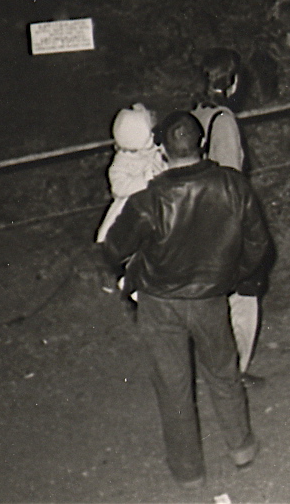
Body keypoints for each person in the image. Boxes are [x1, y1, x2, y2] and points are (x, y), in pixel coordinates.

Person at [102, 111, 271, 489]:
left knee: (172, 384)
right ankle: (241, 446)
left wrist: (141, 264)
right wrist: (229, 275)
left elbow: (113, 248)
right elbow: (258, 244)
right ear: (202, 144)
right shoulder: (233, 186)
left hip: (159, 304)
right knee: (223, 373)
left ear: (162, 148)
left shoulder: (148, 198)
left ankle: (188, 470)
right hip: (210, 298)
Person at [190, 47, 264, 384]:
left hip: (195, 217)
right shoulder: (224, 121)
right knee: (244, 300)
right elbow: (232, 179)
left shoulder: (194, 115)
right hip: (222, 219)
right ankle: (235, 370)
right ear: (231, 82)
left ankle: (215, 364)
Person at [95, 103, 166, 243]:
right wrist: (146, 178)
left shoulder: (153, 151)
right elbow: (119, 188)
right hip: (131, 208)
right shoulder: (120, 163)